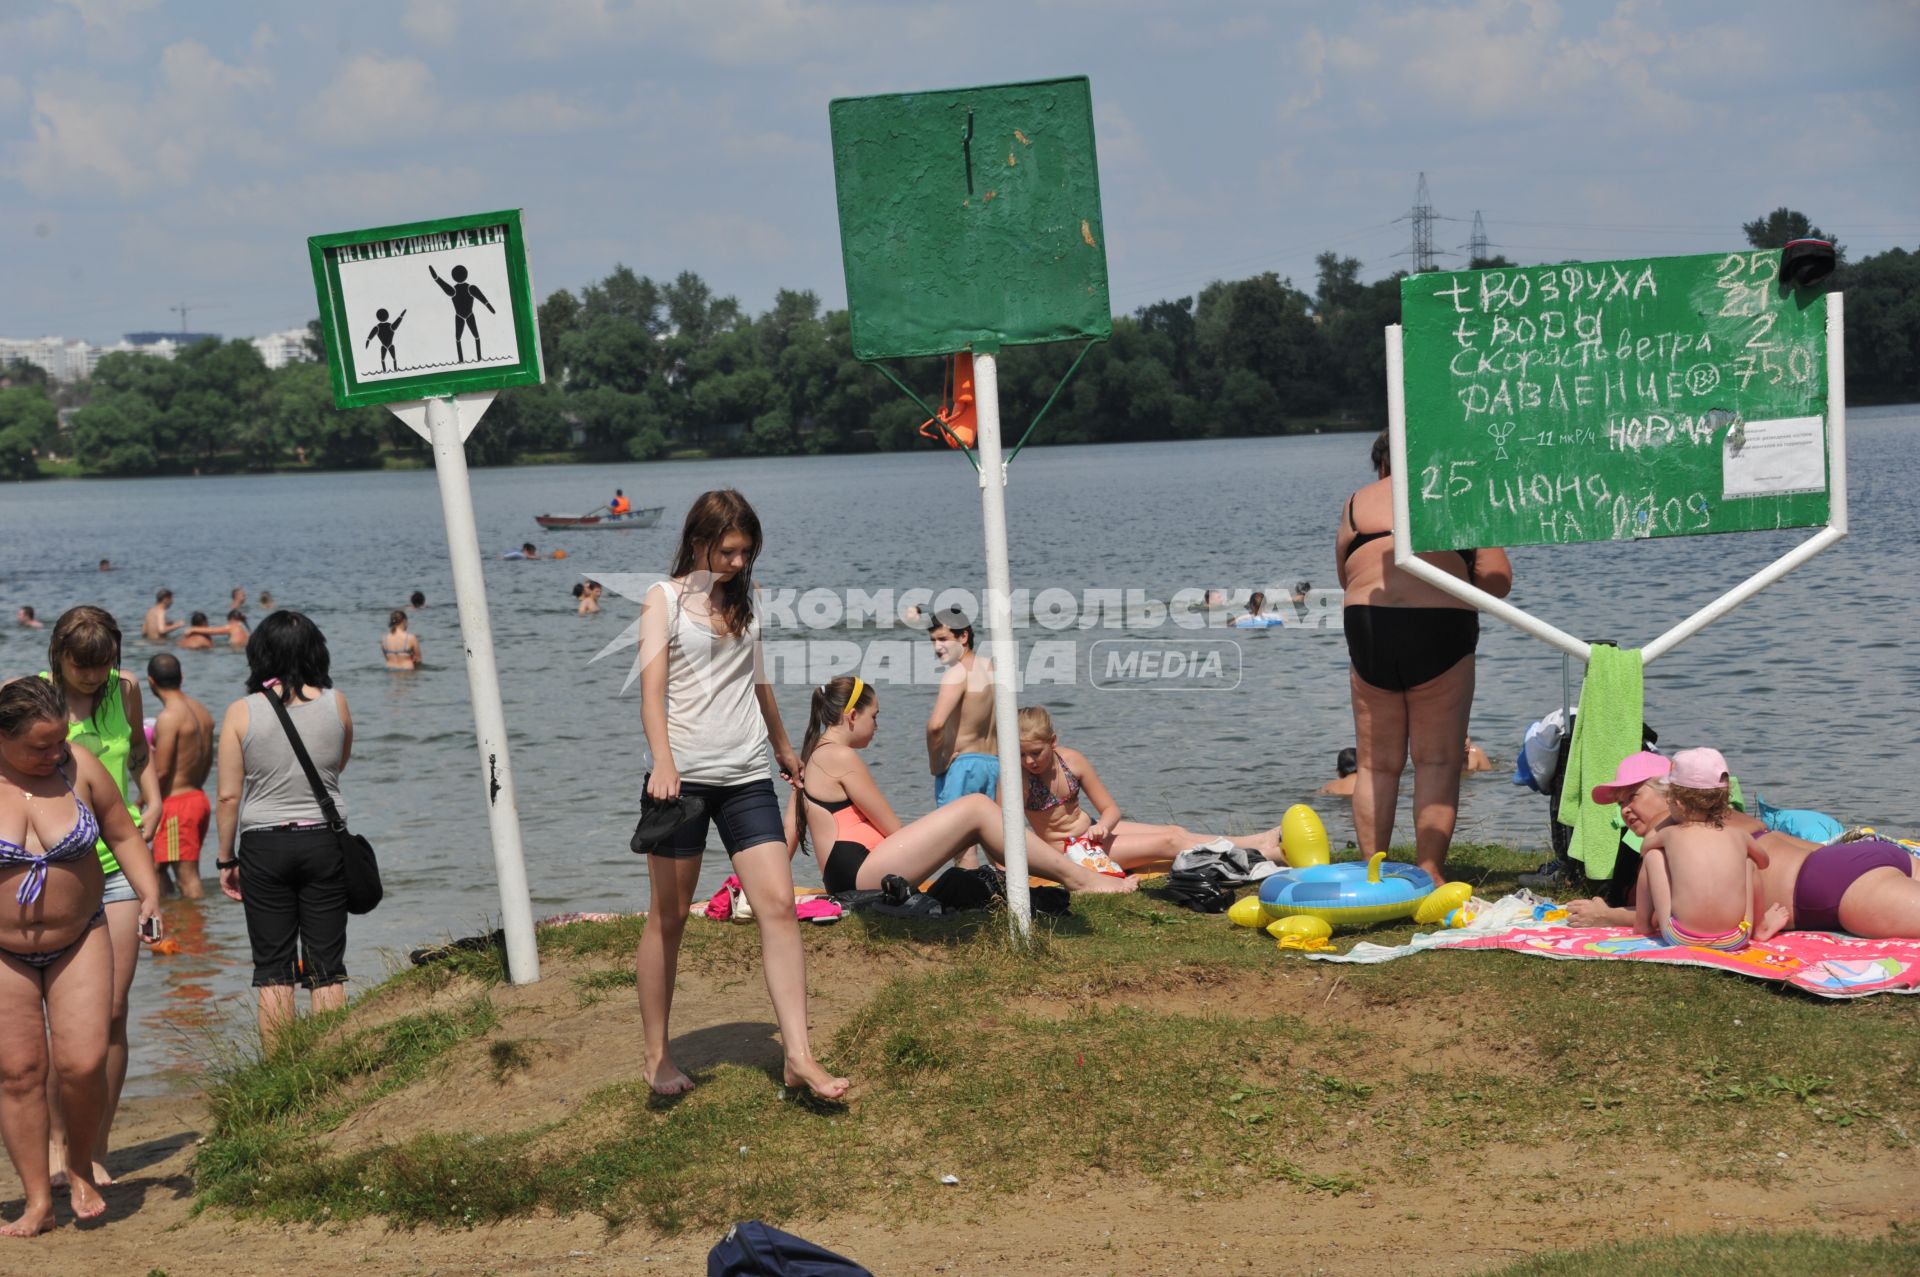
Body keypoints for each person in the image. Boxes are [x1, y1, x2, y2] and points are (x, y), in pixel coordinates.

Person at [634, 490, 847, 1102]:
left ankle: (798, 1057)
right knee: (669, 918)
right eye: (727, 551)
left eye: (745, 552)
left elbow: (757, 681)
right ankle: (656, 1057)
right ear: (698, 541)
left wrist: (783, 747)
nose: (735, 562)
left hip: (747, 772)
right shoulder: (663, 601)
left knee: (779, 905)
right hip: (681, 780)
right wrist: (666, 764)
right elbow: (652, 695)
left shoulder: (742, 601)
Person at [0, 677, 163, 1235]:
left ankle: (79, 1165)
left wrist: (150, 894)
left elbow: (121, 834)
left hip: (80, 935)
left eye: (59, 741)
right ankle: (37, 1200)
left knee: (84, 1060)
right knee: (19, 1073)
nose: (54, 754)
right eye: (38, 747)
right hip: (4, 954)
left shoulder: (78, 766)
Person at [1337, 429, 1512, 883]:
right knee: (1436, 760)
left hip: (1368, 623)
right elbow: (1497, 578)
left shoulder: (1358, 501)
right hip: (1438, 623)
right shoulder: (1459, 494)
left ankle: (1371, 870)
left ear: (1382, 465)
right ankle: (1429, 870)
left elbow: (1346, 574)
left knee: (1376, 762)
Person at [794, 676, 1139, 896]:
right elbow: (891, 829)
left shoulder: (813, 755)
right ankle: (1080, 879)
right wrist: (943, 840)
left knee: (972, 816)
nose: (876, 726)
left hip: (849, 875)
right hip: (861, 877)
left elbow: (790, 829)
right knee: (975, 807)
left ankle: (1050, 875)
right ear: (853, 716)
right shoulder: (841, 756)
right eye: (875, 716)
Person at [39, 606, 159, 1187]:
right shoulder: (28, 696)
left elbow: (137, 753)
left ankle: (96, 1143)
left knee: (112, 1011)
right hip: (56, 868)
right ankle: (60, 1140)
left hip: (115, 868)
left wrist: (152, 796)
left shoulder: (126, 690)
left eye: (101, 663)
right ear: (57, 656)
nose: (91, 676)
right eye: (79, 665)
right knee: (64, 1021)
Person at [1569, 753, 1920, 939]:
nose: (1625, 809)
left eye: (1633, 796)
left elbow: (1674, 919)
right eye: (1619, 804)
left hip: (1828, 888)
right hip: (1858, 856)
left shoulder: (1674, 835)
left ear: (1668, 792)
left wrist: (1606, 915)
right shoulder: (1729, 816)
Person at [214, 612, 355, 1041]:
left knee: (273, 970)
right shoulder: (337, 703)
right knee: (326, 968)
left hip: (264, 845)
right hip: (323, 841)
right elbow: (336, 767)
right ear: (316, 651)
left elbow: (227, 796)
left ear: (260, 654)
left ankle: (281, 1074)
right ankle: (333, 1064)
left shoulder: (241, 712)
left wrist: (225, 859)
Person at [1018, 706, 1285, 872]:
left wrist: (1103, 827)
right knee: (1170, 843)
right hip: (1072, 850)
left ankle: (1257, 840)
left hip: (1094, 831)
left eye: (1035, 752)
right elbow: (1003, 828)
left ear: (1052, 742)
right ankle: (1262, 855)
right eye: (1021, 754)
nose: (1029, 761)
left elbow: (1110, 809)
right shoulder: (1019, 779)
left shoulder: (1071, 761)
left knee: (1176, 831)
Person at [1632, 748, 1785, 950]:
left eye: (1670, 798)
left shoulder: (1671, 834)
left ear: (1677, 802)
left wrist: (1671, 824)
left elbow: (1645, 848)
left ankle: (1642, 924)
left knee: (1653, 856)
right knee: (1749, 862)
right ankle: (1759, 927)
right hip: (1737, 937)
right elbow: (1764, 862)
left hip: (1680, 936)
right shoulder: (1739, 836)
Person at [145, 654, 214, 900]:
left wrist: (142, 802)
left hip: (177, 805)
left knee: (186, 876)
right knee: (154, 867)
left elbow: (162, 771)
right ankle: (176, 923)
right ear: (181, 677)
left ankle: (194, 935)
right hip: (198, 798)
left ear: (150, 681)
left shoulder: (169, 717)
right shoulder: (201, 711)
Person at [925, 606, 998, 810]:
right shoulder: (992, 669)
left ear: (963, 636)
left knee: (957, 839)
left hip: (963, 767)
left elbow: (935, 726)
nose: (937, 647)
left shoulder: (957, 673)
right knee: (997, 837)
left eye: (943, 639)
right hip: (995, 765)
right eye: (933, 641)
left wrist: (935, 765)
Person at [183, 610, 249, 647]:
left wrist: (193, 629)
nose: (227, 624)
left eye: (228, 622)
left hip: (236, 650)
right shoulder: (244, 629)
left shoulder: (233, 626)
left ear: (231, 619)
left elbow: (213, 631)